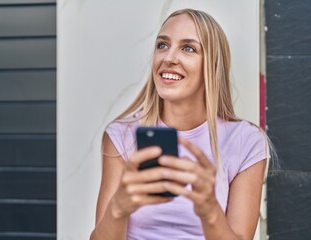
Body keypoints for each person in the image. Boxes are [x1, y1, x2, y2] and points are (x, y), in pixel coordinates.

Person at [90, 8, 270, 240]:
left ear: (212, 65)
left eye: (188, 48)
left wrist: (209, 211)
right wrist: (118, 208)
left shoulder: (245, 141)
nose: (169, 58)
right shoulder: (121, 136)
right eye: (162, 45)